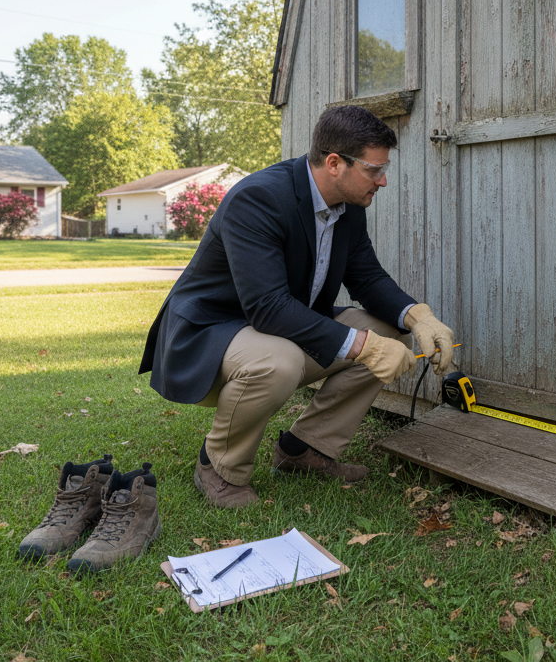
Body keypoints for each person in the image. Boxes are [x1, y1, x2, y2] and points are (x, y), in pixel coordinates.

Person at [139, 105, 456, 508]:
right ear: (335, 163)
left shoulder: (350, 206)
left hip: (271, 330)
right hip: (208, 335)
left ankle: (305, 451)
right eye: (374, 170)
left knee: (386, 331)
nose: (384, 180)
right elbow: (269, 307)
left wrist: (419, 316)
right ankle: (219, 467)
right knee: (282, 359)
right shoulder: (258, 198)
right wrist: (365, 347)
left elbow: (367, 277)